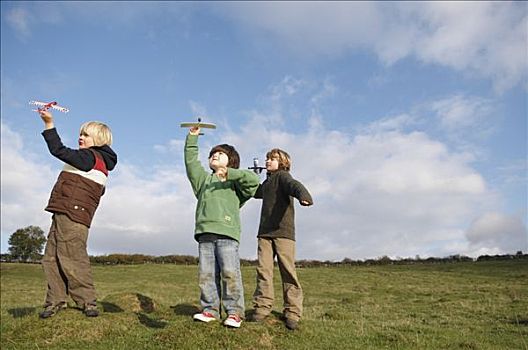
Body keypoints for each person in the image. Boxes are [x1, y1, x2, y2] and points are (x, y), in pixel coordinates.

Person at [38, 110, 117, 319]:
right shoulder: (98, 163)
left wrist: (49, 124)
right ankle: (55, 300)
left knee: (72, 258)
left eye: (86, 135)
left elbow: (59, 150)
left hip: (72, 215)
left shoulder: (89, 157)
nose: (80, 137)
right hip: (65, 212)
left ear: (99, 140)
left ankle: (87, 302)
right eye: (80, 133)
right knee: (51, 258)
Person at [184, 126, 259, 328]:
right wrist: (192, 138)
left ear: (231, 161)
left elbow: (254, 182)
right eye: (213, 154)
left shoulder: (235, 182)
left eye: (221, 154)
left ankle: (234, 313)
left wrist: (231, 173)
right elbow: (191, 164)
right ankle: (209, 310)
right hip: (205, 234)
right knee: (206, 274)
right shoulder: (203, 181)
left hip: (227, 234)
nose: (215, 155)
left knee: (230, 272)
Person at [250, 148, 313, 330]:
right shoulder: (268, 181)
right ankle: (262, 307)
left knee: (288, 272)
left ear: (283, 162)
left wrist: (304, 196)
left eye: (273, 159)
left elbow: (295, 185)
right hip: (265, 233)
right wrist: (255, 176)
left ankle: (292, 312)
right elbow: (256, 193)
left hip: (283, 233)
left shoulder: (283, 176)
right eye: (267, 158)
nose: (268, 161)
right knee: (264, 270)